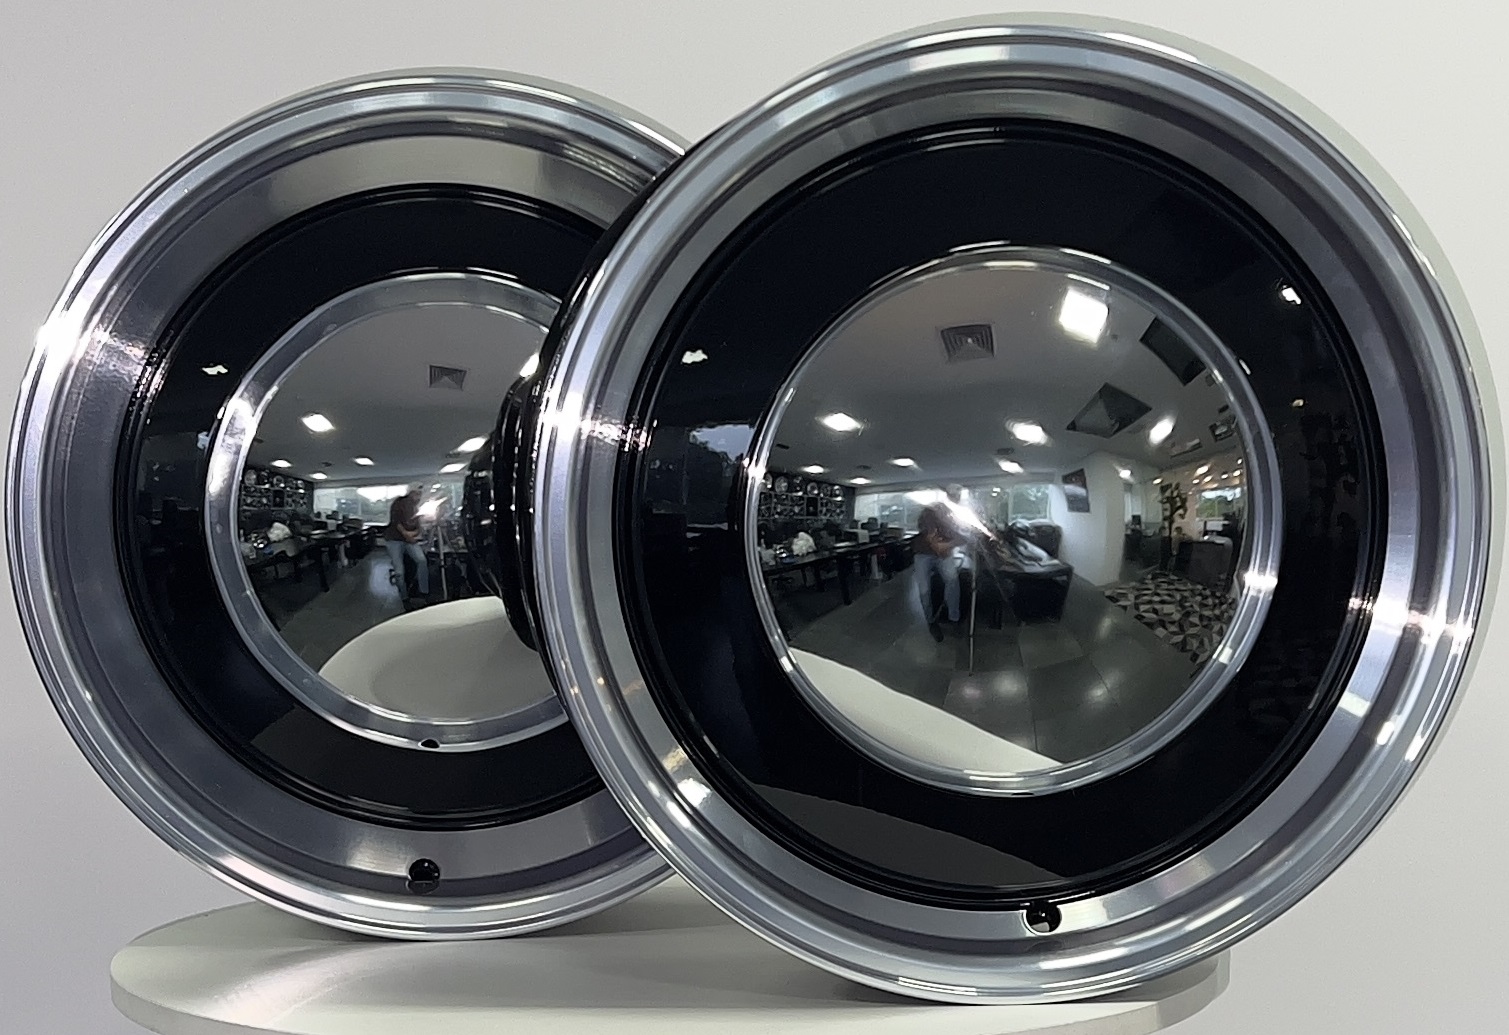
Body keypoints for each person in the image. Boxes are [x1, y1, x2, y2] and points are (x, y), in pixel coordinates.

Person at [914, 484, 968, 639]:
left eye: (957, 496)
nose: (955, 499)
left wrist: (949, 544)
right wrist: (948, 544)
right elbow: (932, 539)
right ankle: (931, 622)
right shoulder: (932, 510)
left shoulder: (957, 514)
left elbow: (963, 536)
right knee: (924, 590)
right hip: (923, 553)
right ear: (947, 496)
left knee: (952, 580)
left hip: (944, 553)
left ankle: (954, 619)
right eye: (953, 496)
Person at [384, 487, 429, 607]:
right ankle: (404, 598)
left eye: (420, 494)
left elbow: (419, 526)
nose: (418, 497)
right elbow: (396, 522)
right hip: (394, 539)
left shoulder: (416, 508)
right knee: (399, 572)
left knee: (422, 560)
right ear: (410, 493)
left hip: (409, 539)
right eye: (416, 494)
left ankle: (424, 592)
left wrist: (413, 534)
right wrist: (406, 534)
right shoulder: (398, 503)